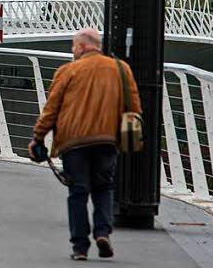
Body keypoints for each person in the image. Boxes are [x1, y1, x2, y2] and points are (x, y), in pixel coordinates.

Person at [28, 28, 142, 261]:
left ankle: (80, 247)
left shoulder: (67, 71)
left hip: (73, 141)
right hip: (107, 139)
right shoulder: (121, 70)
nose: (72, 50)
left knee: (78, 191)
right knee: (103, 187)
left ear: (81, 47)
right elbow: (135, 108)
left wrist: (38, 137)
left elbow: (51, 110)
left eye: (73, 46)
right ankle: (103, 233)